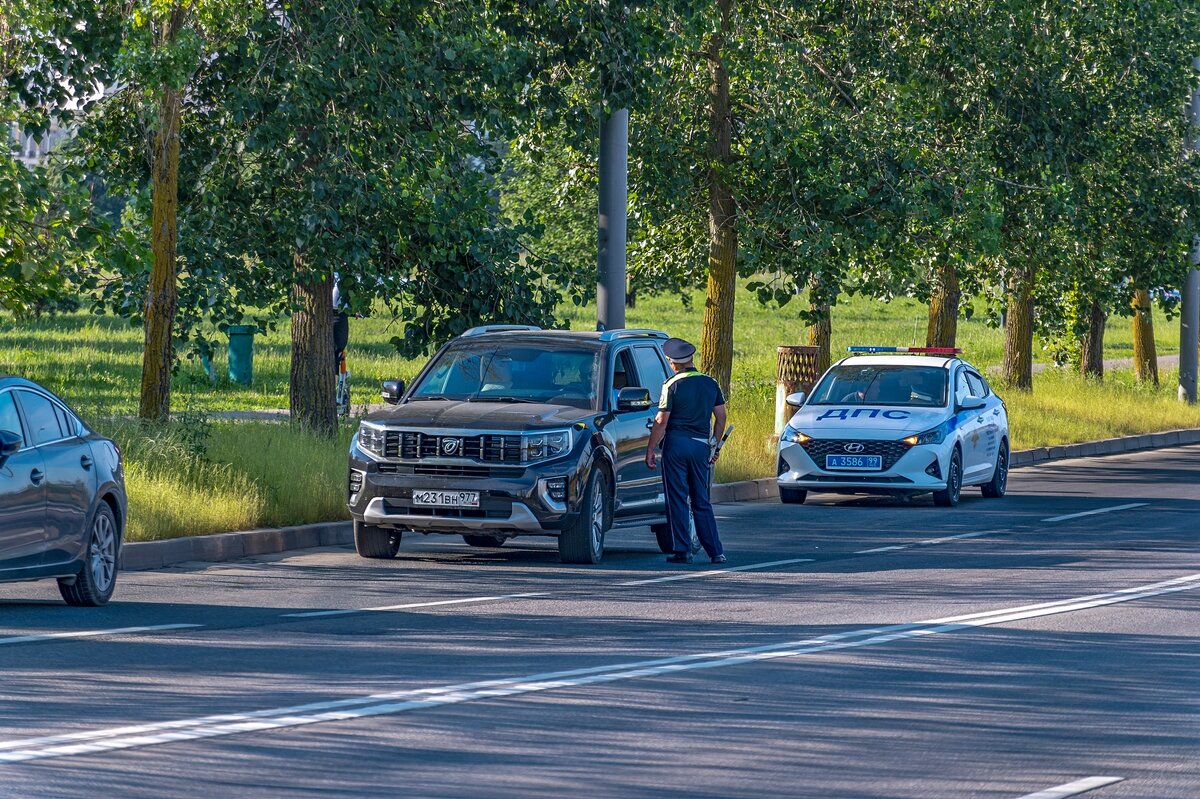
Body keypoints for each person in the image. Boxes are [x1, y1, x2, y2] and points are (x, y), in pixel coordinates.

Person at [645, 338, 727, 564]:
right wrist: (714, 444)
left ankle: (683, 550)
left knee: (678, 498)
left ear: (673, 363)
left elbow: (661, 420)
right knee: (702, 500)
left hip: (676, 445)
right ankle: (715, 551)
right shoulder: (711, 383)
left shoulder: (671, 385)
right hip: (701, 446)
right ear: (691, 360)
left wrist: (651, 448)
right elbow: (721, 418)